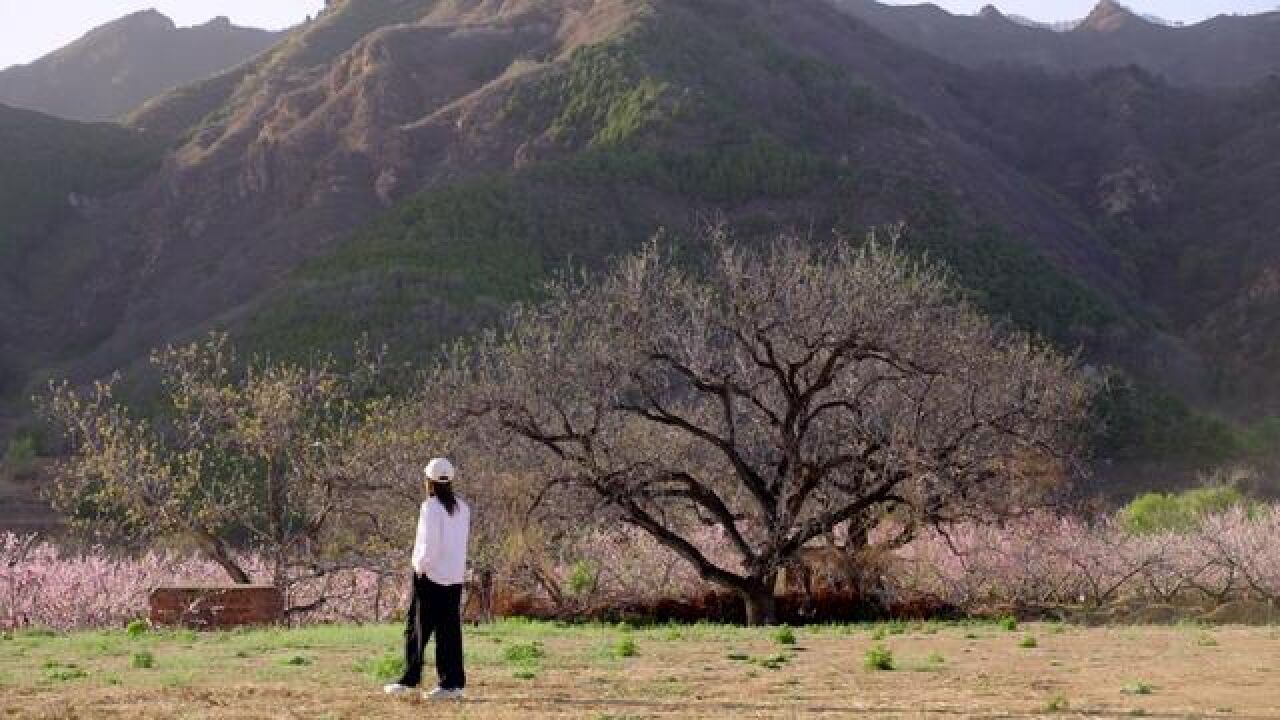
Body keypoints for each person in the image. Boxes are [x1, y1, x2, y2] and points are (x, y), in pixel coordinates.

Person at [383, 457, 471, 700]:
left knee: (417, 629)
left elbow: (429, 545)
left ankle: (410, 679)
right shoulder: (463, 508)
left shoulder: (430, 507)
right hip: (454, 577)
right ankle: (452, 684)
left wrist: (420, 566)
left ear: (429, 481)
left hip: (430, 576)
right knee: (449, 632)